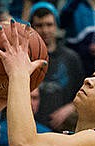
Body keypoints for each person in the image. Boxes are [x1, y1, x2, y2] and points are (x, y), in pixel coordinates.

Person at [29, 2, 86, 132]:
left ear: (57, 26)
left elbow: (83, 96)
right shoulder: (25, 57)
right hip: (31, 129)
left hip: (63, 130)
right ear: (32, 27)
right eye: (39, 25)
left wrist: (71, 108)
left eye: (49, 25)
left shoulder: (71, 58)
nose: (45, 30)